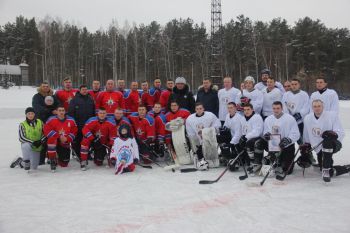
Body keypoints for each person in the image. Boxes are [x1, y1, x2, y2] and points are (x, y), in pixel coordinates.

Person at [302, 99, 346, 182]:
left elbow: (340, 132)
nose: (317, 108)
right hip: (319, 146)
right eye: (315, 106)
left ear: (323, 107)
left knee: (327, 141)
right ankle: (343, 168)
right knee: (326, 168)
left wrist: (332, 134)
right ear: (312, 108)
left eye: (319, 106)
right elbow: (306, 133)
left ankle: (326, 168)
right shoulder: (308, 118)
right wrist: (306, 145)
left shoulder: (332, 116)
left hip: (334, 143)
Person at [253, 101, 300, 175]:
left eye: (278, 108)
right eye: (274, 108)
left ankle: (286, 162)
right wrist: (266, 135)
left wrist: (289, 139)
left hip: (286, 145)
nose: (276, 110)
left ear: (282, 108)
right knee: (259, 143)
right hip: (273, 145)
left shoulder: (290, 119)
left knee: (287, 170)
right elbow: (266, 131)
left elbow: (296, 133)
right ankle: (259, 163)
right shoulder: (268, 119)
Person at [185, 102, 221, 169]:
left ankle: (214, 160)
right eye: (197, 109)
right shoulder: (190, 119)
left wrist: (208, 131)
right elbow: (191, 133)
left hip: (210, 140)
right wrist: (196, 143)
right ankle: (202, 160)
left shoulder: (210, 115)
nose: (199, 110)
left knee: (211, 151)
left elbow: (217, 124)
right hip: (199, 141)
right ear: (195, 110)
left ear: (203, 109)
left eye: (200, 108)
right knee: (199, 153)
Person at [44, 105, 78, 172]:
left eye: (63, 110)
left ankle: (58, 157)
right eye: (59, 111)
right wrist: (58, 136)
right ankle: (52, 159)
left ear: (65, 112)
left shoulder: (71, 120)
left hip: (65, 141)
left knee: (64, 164)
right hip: (55, 139)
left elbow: (74, 131)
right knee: (51, 140)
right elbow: (46, 130)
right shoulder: (51, 119)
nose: (61, 112)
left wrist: (67, 139)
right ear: (56, 112)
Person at [68, 84, 95, 157]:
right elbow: (71, 113)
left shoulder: (90, 99)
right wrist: (74, 123)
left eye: (86, 89)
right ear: (79, 90)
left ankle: (87, 154)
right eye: (83, 89)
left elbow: (93, 111)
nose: (85, 91)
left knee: (87, 139)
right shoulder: (74, 100)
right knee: (78, 140)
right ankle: (77, 154)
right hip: (78, 124)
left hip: (88, 124)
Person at [282, 78, 309, 143]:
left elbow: (306, 107)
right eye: (292, 84)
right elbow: (283, 106)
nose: (294, 86)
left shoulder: (304, 94)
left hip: (300, 121)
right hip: (289, 121)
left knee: (302, 140)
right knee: (290, 138)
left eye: (295, 84)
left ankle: (304, 152)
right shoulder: (286, 94)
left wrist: (299, 115)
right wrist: (288, 116)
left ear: (299, 85)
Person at [18, 107, 45, 171]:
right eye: (28, 114)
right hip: (28, 144)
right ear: (26, 115)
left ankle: (20, 162)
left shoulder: (40, 122)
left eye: (32, 113)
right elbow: (21, 137)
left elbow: (45, 133)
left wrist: (40, 141)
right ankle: (26, 161)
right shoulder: (22, 124)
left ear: (34, 114)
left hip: (37, 145)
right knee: (25, 145)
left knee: (34, 167)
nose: (30, 115)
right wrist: (32, 142)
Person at [238, 103, 264, 167]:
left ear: (252, 110)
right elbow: (242, 130)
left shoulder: (257, 117)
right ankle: (247, 160)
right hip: (247, 139)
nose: (246, 111)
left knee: (250, 143)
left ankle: (256, 162)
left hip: (258, 139)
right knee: (238, 144)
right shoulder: (242, 118)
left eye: (248, 109)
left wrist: (246, 137)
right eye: (244, 110)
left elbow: (257, 132)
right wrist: (242, 137)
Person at [222, 102, 244, 169]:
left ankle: (238, 159)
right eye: (228, 108)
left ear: (235, 108)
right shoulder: (227, 115)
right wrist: (224, 128)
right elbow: (226, 126)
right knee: (222, 140)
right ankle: (226, 158)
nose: (229, 109)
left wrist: (232, 142)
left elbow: (239, 133)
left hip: (239, 140)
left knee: (233, 148)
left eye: (231, 108)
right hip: (232, 137)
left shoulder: (239, 118)